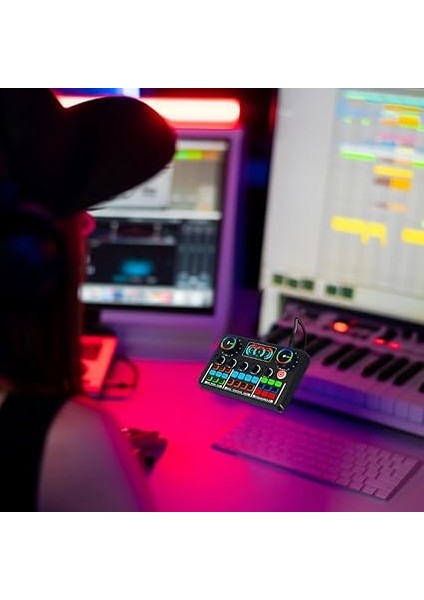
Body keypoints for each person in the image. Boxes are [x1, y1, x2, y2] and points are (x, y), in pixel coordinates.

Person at [0, 89, 176, 511]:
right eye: (72, 209)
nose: (88, 224)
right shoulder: (67, 438)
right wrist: (90, 464)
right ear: (26, 258)